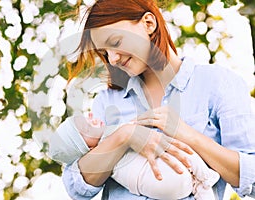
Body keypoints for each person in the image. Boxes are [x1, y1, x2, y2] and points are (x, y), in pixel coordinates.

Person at [61, 0, 255, 199]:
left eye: (115, 42)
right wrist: (124, 136)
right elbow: (76, 187)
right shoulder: (108, 100)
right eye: (104, 53)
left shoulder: (218, 83)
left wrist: (188, 135)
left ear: (149, 24)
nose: (112, 59)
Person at [47, 113, 219, 199]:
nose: (90, 116)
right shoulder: (107, 140)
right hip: (157, 176)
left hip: (162, 188)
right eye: (85, 126)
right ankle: (204, 178)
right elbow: (74, 184)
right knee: (184, 154)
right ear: (88, 148)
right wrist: (126, 132)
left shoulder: (103, 157)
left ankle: (200, 186)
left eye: (85, 117)